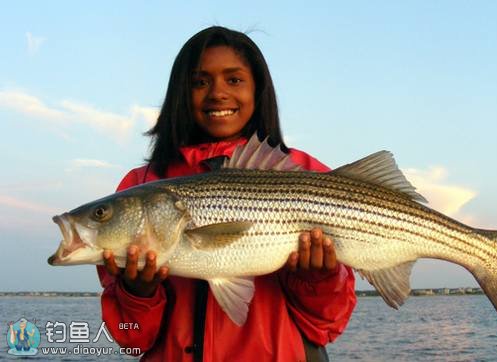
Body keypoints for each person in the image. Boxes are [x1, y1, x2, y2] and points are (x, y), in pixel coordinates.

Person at [97, 26, 356, 362]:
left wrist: (317, 278)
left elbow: (327, 325)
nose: (217, 93)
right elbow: (133, 340)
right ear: (180, 93)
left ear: (258, 90)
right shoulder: (139, 186)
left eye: (234, 80)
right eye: (199, 82)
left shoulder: (307, 173)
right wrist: (138, 291)